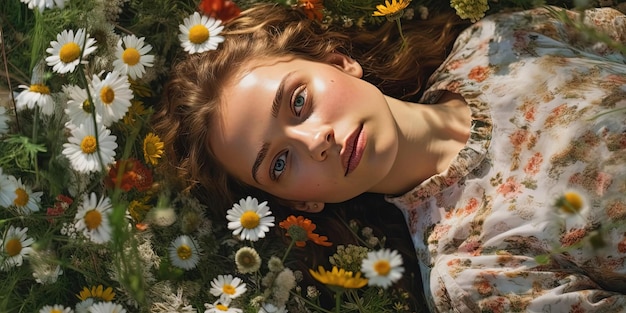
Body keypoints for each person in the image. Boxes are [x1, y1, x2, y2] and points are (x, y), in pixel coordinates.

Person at [152, 2, 626, 312]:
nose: (316, 141)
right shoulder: (472, 274)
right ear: (302, 204)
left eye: (298, 102)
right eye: (279, 163)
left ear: (338, 62)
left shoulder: (499, 42)